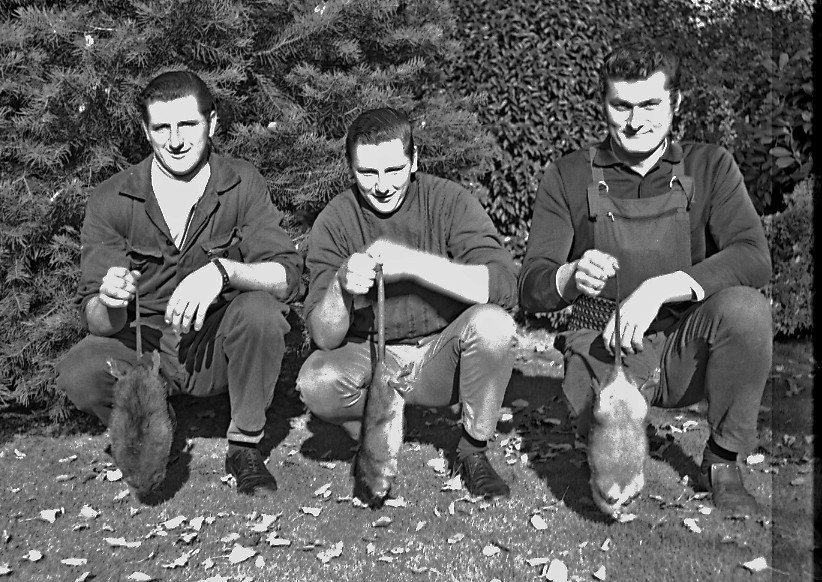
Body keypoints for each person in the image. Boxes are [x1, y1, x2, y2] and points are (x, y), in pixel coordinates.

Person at [518, 40, 772, 515]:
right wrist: (569, 276)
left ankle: (722, 461)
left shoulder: (710, 166)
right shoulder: (568, 175)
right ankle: (610, 451)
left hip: (685, 344)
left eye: (651, 104)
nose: (636, 121)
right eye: (622, 106)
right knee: (606, 437)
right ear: (603, 104)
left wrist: (660, 288)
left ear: (676, 102)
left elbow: (754, 256)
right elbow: (531, 285)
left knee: (747, 311)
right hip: (604, 342)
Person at [56, 71, 303, 497]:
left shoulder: (242, 182)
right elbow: (96, 321)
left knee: (261, 312)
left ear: (212, 123)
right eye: (161, 128)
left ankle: (244, 446)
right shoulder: (112, 198)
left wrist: (225, 271)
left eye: (188, 124)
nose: (175, 140)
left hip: (213, 344)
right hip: (144, 349)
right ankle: (154, 420)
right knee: (79, 370)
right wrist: (109, 299)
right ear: (145, 131)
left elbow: (288, 277)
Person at [297, 107, 518, 500]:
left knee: (493, 325)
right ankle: (376, 432)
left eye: (395, 170)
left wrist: (414, 264)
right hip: (374, 358)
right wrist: (340, 287)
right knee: (316, 381)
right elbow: (323, 337)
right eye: (368, 173)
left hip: (441, 356)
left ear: (414, 160)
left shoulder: (448, 201)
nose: (382, 186)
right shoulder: (335, 220)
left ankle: (472, 451)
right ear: (350, 169)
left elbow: (504, 285)